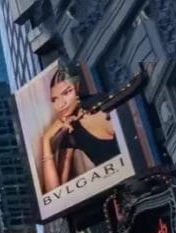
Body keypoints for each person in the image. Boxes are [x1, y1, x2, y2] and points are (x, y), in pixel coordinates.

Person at [38, 65, 120, 194]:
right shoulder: (72, 133)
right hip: (124, 189)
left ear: (77, 87)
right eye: (54, 100)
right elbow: (55, 194)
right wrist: (46, 140)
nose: (61, 104)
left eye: (66, 92)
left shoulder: (102, 101)